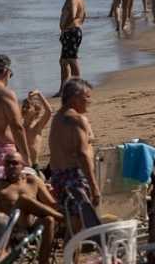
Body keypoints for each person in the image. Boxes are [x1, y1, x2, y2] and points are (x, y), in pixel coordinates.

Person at [47, 78, 99, 233]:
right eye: (87, 97)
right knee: (79, 226)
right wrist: (94, 186)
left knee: (72, 225)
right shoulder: (76, 119)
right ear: (75, 97)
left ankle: (71, 255)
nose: (89, 101)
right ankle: (73, 255)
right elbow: (82, 154)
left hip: (58, 176)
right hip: (74, 177)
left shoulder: (58, 117)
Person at [58, 0, 87, 97]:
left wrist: (65, 27)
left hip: (71, 31)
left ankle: (78, 89)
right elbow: (84, 15)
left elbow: (73, 14)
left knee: (71, 60)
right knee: (64, 61)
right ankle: (64, 89)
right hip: (73, 31)